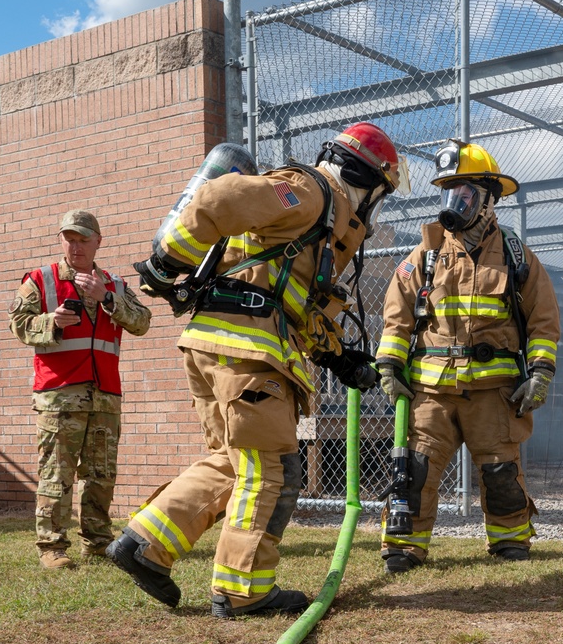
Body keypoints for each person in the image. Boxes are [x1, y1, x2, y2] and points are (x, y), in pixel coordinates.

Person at [110, 122, 404, 617]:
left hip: (224, 344)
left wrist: (338, 356)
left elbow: (291, 303)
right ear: (368, 179)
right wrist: (167, 261)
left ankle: (144, 545)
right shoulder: (310, 191)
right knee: (273, 469)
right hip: (245, 349)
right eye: (380, 193)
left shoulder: (322, 225)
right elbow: (218, 200)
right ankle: (242, 590)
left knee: (237, 460)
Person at [376, 141, 560, 572]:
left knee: (500, 473)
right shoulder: (426, 254)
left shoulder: (516, 257)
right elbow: (396, 313)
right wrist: (388, 365)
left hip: (493, 394)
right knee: (415, 471)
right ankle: (403, 547)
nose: (454, 204)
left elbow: (544, 320)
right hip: (431, 392)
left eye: (465, 195)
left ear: (488, 199)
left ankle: (511, 542)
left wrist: (540, 373)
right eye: (448, 194)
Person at [9, 210, 151, 569]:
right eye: (69, 239)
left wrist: (107, 299)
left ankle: (99, 543)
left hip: (104, 396)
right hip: (59, 395)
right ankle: (52, 547)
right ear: (61, 241)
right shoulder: (41, 280)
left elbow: (142, 322)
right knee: (57, 473)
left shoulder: (114, 284)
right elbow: (19, 325)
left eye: (83, 239)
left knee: (101, 474)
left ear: (98, 242)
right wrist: (50, 322)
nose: (76, 246)